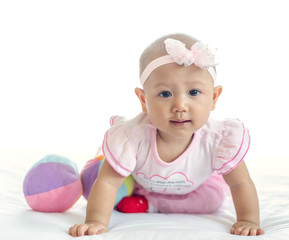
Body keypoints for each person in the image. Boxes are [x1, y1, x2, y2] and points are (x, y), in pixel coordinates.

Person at [69, 33, 264, 237]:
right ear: (144, 100)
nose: (180, 106)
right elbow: (108, 182)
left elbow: (240, 182)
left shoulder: (218, 139)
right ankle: (132, 187)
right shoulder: (132, 137)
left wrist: (247, 219)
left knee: (212, 200)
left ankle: (148, 206)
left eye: (194, 92)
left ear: (214, 97)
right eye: (165, 94)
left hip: (195, 188)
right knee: (108, 181)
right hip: (142, 184)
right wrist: (95, 221)